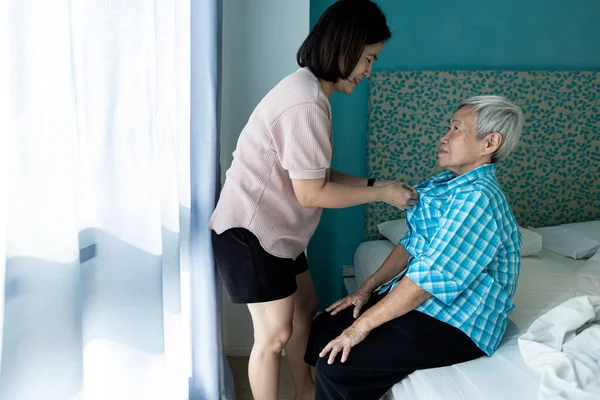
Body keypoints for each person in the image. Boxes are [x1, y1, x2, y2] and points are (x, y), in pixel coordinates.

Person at [209, 1, 418, 399]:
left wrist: (376, 181)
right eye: (368, 59)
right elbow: (311, 192)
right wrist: (383, 193)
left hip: (279, 234)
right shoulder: (305, 103)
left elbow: (314, 173)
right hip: (252, 234)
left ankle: (304, 391)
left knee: (307, 306)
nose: (368, 72)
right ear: (346, 48)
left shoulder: (309, 92)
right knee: (274, 336)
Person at [305, 95, 524, 400]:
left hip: (459, 322)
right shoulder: (447, 184)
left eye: (456, 129)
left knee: (339, 365)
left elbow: (426, 281)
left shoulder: (479, 199)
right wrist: (365, 289)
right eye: (449, 127)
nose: (444, 137)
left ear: (490, 143)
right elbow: (413, 242)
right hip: (429, 305)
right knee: (323, 329)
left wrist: (358, 330)